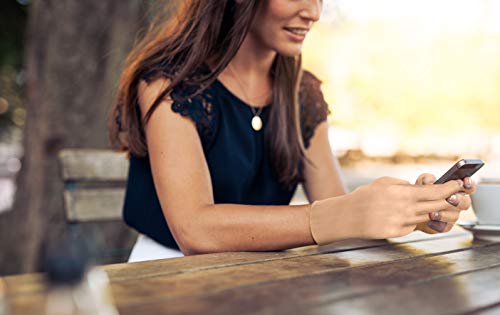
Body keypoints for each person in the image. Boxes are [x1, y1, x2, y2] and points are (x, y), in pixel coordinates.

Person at [109, 0, 476, 262]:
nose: (314, 12)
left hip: (268, 274)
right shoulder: (168, 83)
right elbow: (195, 231)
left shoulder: (304, 93)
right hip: (166, 276)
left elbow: (338, 208)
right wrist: (338, 215)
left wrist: (407, 210)